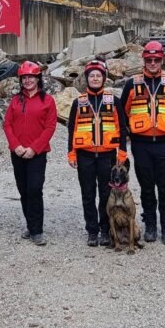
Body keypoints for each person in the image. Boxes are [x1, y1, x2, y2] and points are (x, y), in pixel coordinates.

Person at [120, 41, 165, 245]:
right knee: (147, 187)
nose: (152, 63)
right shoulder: (132, 84)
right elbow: (122, 112)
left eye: (156, 60)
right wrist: (130, 131)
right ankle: (150, 224)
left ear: (162, 60)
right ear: (144, 60)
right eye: (149, 59)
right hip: (141, 145)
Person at [67, 60, 128, 247]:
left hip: (107, 156)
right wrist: (71, 153)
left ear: (104, 78)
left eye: (98, 76)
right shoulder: (78, 103)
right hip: (85, 156)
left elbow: (122, 128)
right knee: (88, 195)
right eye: (91, 76)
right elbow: (72, 129)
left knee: (106, 194)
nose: (95, 79)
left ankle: (105, 230)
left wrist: (122, 152)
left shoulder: (114, 101)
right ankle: (92, 231)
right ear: (86, 79)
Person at [4, 61, 57, 246]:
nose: (27, 81)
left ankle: (37, 231)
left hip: (37, 154)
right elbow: (7, 125)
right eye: (24, 78)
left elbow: (50, 127)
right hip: (18, 153)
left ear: (37, 79)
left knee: (34, 189)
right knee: (24, 190)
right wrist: (15, 146)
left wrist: (34, 148)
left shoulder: (47, 101)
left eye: (31, 77)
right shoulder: (15, 101)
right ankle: (30, 224)